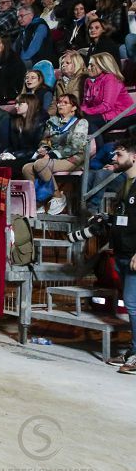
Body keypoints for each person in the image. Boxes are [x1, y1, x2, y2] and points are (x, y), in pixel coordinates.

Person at [100, 139, 136, 372]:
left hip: (134, 254)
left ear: (134, 157)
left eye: (120, 154)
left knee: (133, 305)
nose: (115, 158)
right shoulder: (126, 183)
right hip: (122, 250)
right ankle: (133, 351)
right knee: (132, 303)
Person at [21, 94, 89, 215]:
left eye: (65, 102)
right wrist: (44, 149)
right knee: (26, 168)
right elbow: (45, 140)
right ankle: (40, 201)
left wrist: (52, 155)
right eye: (59, 102)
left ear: (73, 107)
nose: (60, 104)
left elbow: (76, 146)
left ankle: (58, 197)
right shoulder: (52, 121)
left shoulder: (81, 122)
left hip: (73, 157)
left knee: (40, 164)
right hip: (52, 156)